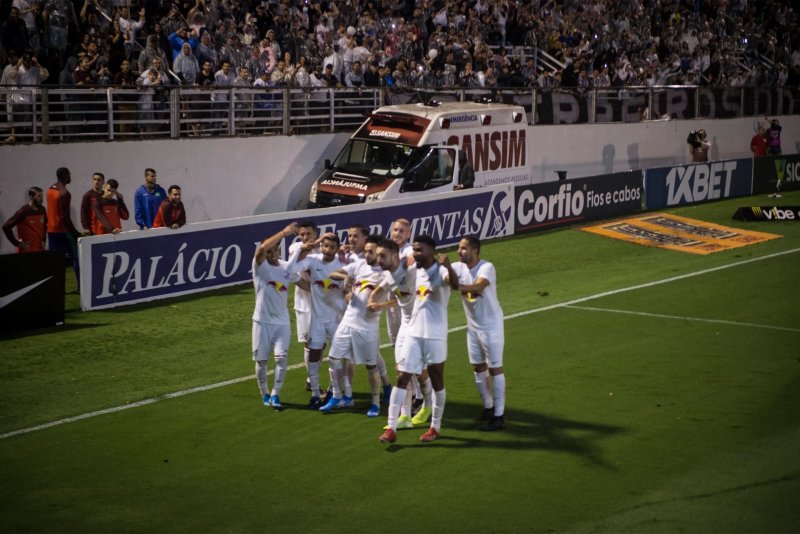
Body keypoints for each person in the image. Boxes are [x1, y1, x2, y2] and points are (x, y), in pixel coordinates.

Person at [379, 234, 459, 444]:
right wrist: (395, 264)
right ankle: (392, 427)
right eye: (414, 250)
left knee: (437, 379)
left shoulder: (441, 271)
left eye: (420, 250)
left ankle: (435, 427)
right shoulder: (414, 270)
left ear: (432, 250)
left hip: (435, 335)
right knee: (402, 376)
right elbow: (397, 280)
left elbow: (456, 285)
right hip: (413, 333)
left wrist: (449, 266)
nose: (416, 254)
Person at [320, 234, 386, 417]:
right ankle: (337, 396)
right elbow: (333, 274)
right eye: (366, 251)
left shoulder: (385, 273)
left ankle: (375, 403)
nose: (367, 255)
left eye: (370, 252)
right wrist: (346, 279)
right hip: (348, 320)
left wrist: (379, 304)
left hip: (368, 325)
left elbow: (398, 297)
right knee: (333, 358)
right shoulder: (359, 265)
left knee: (371, 367)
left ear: (380, 252)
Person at [451, 235, 506, 431]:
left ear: (475, 251)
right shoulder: (458, 267)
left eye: (464, 248)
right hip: (473, 327)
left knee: (495, 368)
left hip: (491, 326)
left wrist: (457, 285)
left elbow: (479, 285)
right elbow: (442, 273)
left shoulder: (486, 267)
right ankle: (488, 407)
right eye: (459, 247)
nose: (459, 251)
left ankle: (499, 416)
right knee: (477, 367)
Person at [285, 231, 346, 409]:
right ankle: (314, 395)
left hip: (335, 320)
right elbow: (290, 269)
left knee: (336, 358)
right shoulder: (313, 261)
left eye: (332, 247)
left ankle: (336, 395)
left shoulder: (341, 265)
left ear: (337, 249)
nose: (327, 250)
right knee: (313, 355)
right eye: (325, 246)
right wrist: (304, 249)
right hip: (317, 320)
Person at [252, 222, 301, 409]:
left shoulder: (286, 268)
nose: (274, 255)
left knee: (281, 358)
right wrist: (284, 232)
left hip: (282, 323)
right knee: (262, 361)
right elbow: (261, 249)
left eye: (277, 251)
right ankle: (264, 392)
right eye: (271, 251)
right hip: (261, 322)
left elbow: (303, 283)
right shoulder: (260, 266)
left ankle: (275, 394)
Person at [46, 167, 80, 285]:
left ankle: (54, 286)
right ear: (65, 176)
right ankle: (81, 286)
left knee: (54, 260)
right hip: (63, 231)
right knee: (76, 257)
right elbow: (65, 217)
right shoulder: (64, 193)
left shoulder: (50, 189)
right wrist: (75, 232)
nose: (70, 177)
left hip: (51, 231)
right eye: (69, 175)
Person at [3, 186, 46, 253]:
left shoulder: (42, 210)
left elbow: (44, 226)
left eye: (42, 196)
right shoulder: (23, 212)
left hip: (39, 250)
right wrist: (17, 243)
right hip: (26, 252)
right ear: (31, 197)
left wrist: (44, 239)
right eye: (39, 196)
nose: (41, 199)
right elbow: (6, 227)